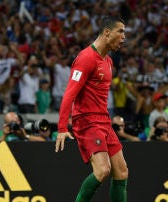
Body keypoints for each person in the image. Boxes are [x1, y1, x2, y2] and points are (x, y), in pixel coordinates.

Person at [55, 16, 128, 202]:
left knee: (121, 171)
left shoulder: (108, 61)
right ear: (106, 32)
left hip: (104, 121)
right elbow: (69, 94)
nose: (123, 37)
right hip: (87, 121)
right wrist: (62, 128)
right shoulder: (86, 58)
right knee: (103, 170)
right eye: (120, 31)